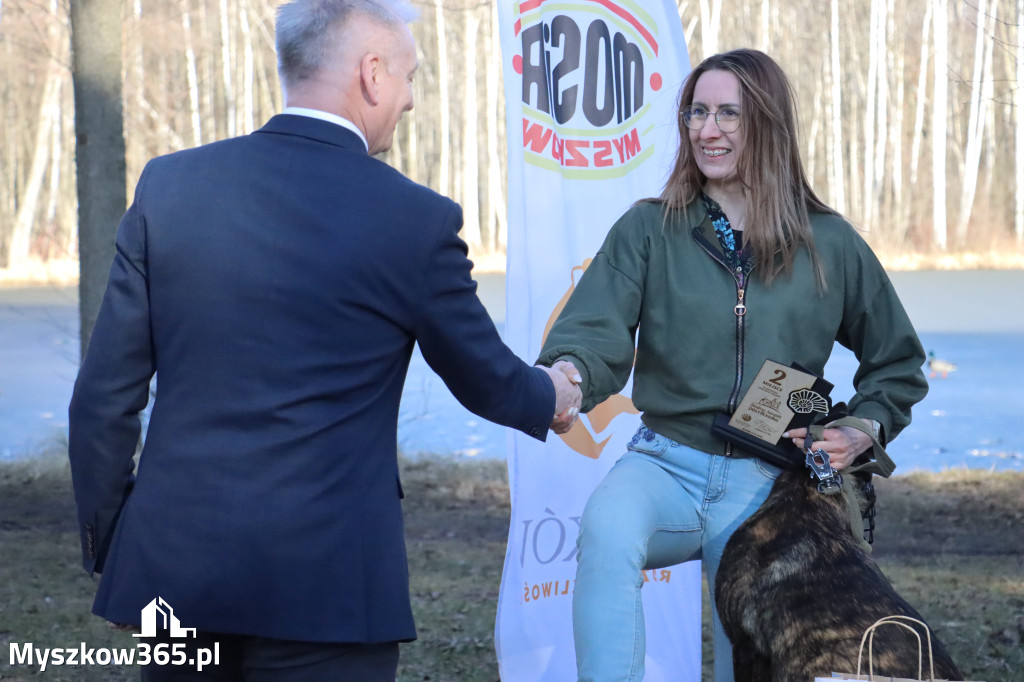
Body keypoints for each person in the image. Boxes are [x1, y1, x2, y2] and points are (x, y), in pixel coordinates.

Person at [67, 1, 581, 679]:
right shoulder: (413, 220)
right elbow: (488, 379)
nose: (410, 99)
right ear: (371, 74)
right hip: (330, 587)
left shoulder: (170, 188)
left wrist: (119, 551)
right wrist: (558, 392)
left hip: (176, 575)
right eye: (406, 76)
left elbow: (102, 400)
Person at [536, 49, 928, 682]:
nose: (706, 130)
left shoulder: (829, 243)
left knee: (740, 649)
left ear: (766, 126)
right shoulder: (649, 229)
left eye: (727, 114)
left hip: (769, 486)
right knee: (607, 530)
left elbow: (898, 363)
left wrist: (862, 429)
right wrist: (568, 377)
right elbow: (594, 330)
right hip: (665, 462)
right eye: (696, 112)